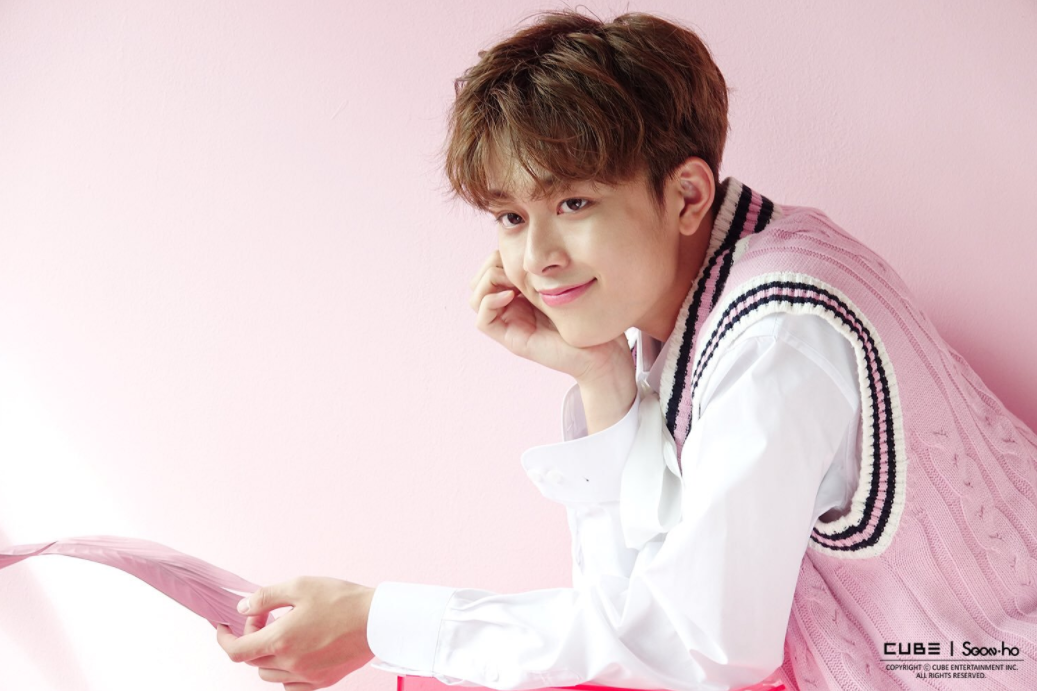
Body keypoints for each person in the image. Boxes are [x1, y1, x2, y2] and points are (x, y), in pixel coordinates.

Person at [216, 9, 1037, 690]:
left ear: (686, 194)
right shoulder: (707, 288)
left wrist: (382, 620)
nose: (536, 257)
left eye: (572, 202)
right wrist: (600, 373)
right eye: (510, 217)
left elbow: (696, 646)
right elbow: (636, 602)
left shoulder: (777, 332)